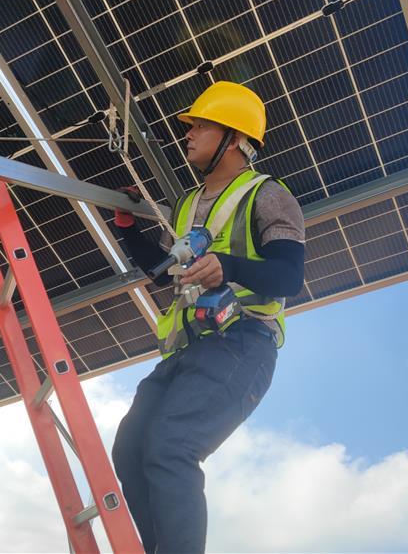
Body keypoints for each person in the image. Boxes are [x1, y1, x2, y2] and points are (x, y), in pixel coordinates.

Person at [111, 81, 306, 553]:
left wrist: (230, 268)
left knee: (172, 444)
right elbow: (164, 275)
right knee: (132, 448)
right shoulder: (185, 206)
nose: (189, 133)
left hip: (243, 345)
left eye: (201, 124)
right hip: (191, 348)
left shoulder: (267, 195)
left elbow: (288, 277)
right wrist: (126, 229)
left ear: (235, 138)